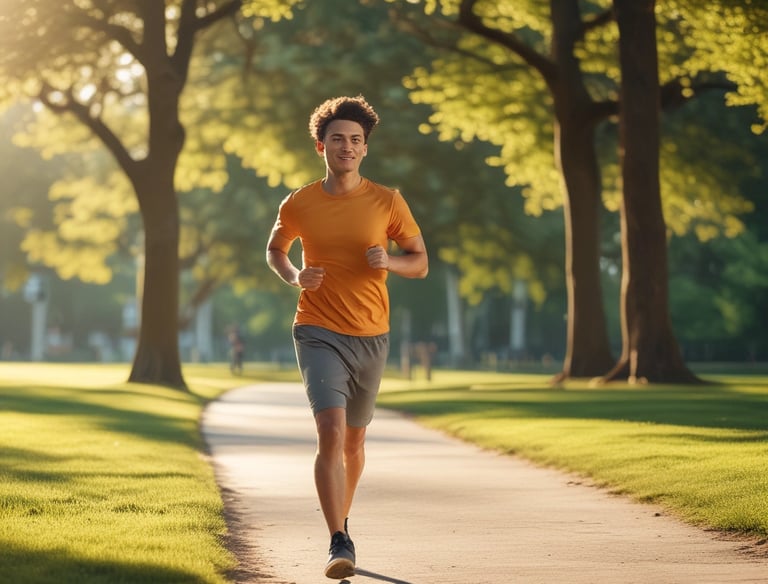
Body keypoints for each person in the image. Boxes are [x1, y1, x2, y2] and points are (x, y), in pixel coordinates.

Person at [265, 95, 428, 580]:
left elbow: (419, 262)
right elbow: (275, 249)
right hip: (316, 329)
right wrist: (295, 276)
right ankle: (338, 539)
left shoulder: (388, 201)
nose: (347, 147)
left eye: (356, 140)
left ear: (364, 148)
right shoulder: (299, 202)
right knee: (330, 432)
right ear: (322, 145)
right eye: (338, 139)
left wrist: (390, 262)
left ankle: (343, 520)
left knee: (355, 442)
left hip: (371, 334)